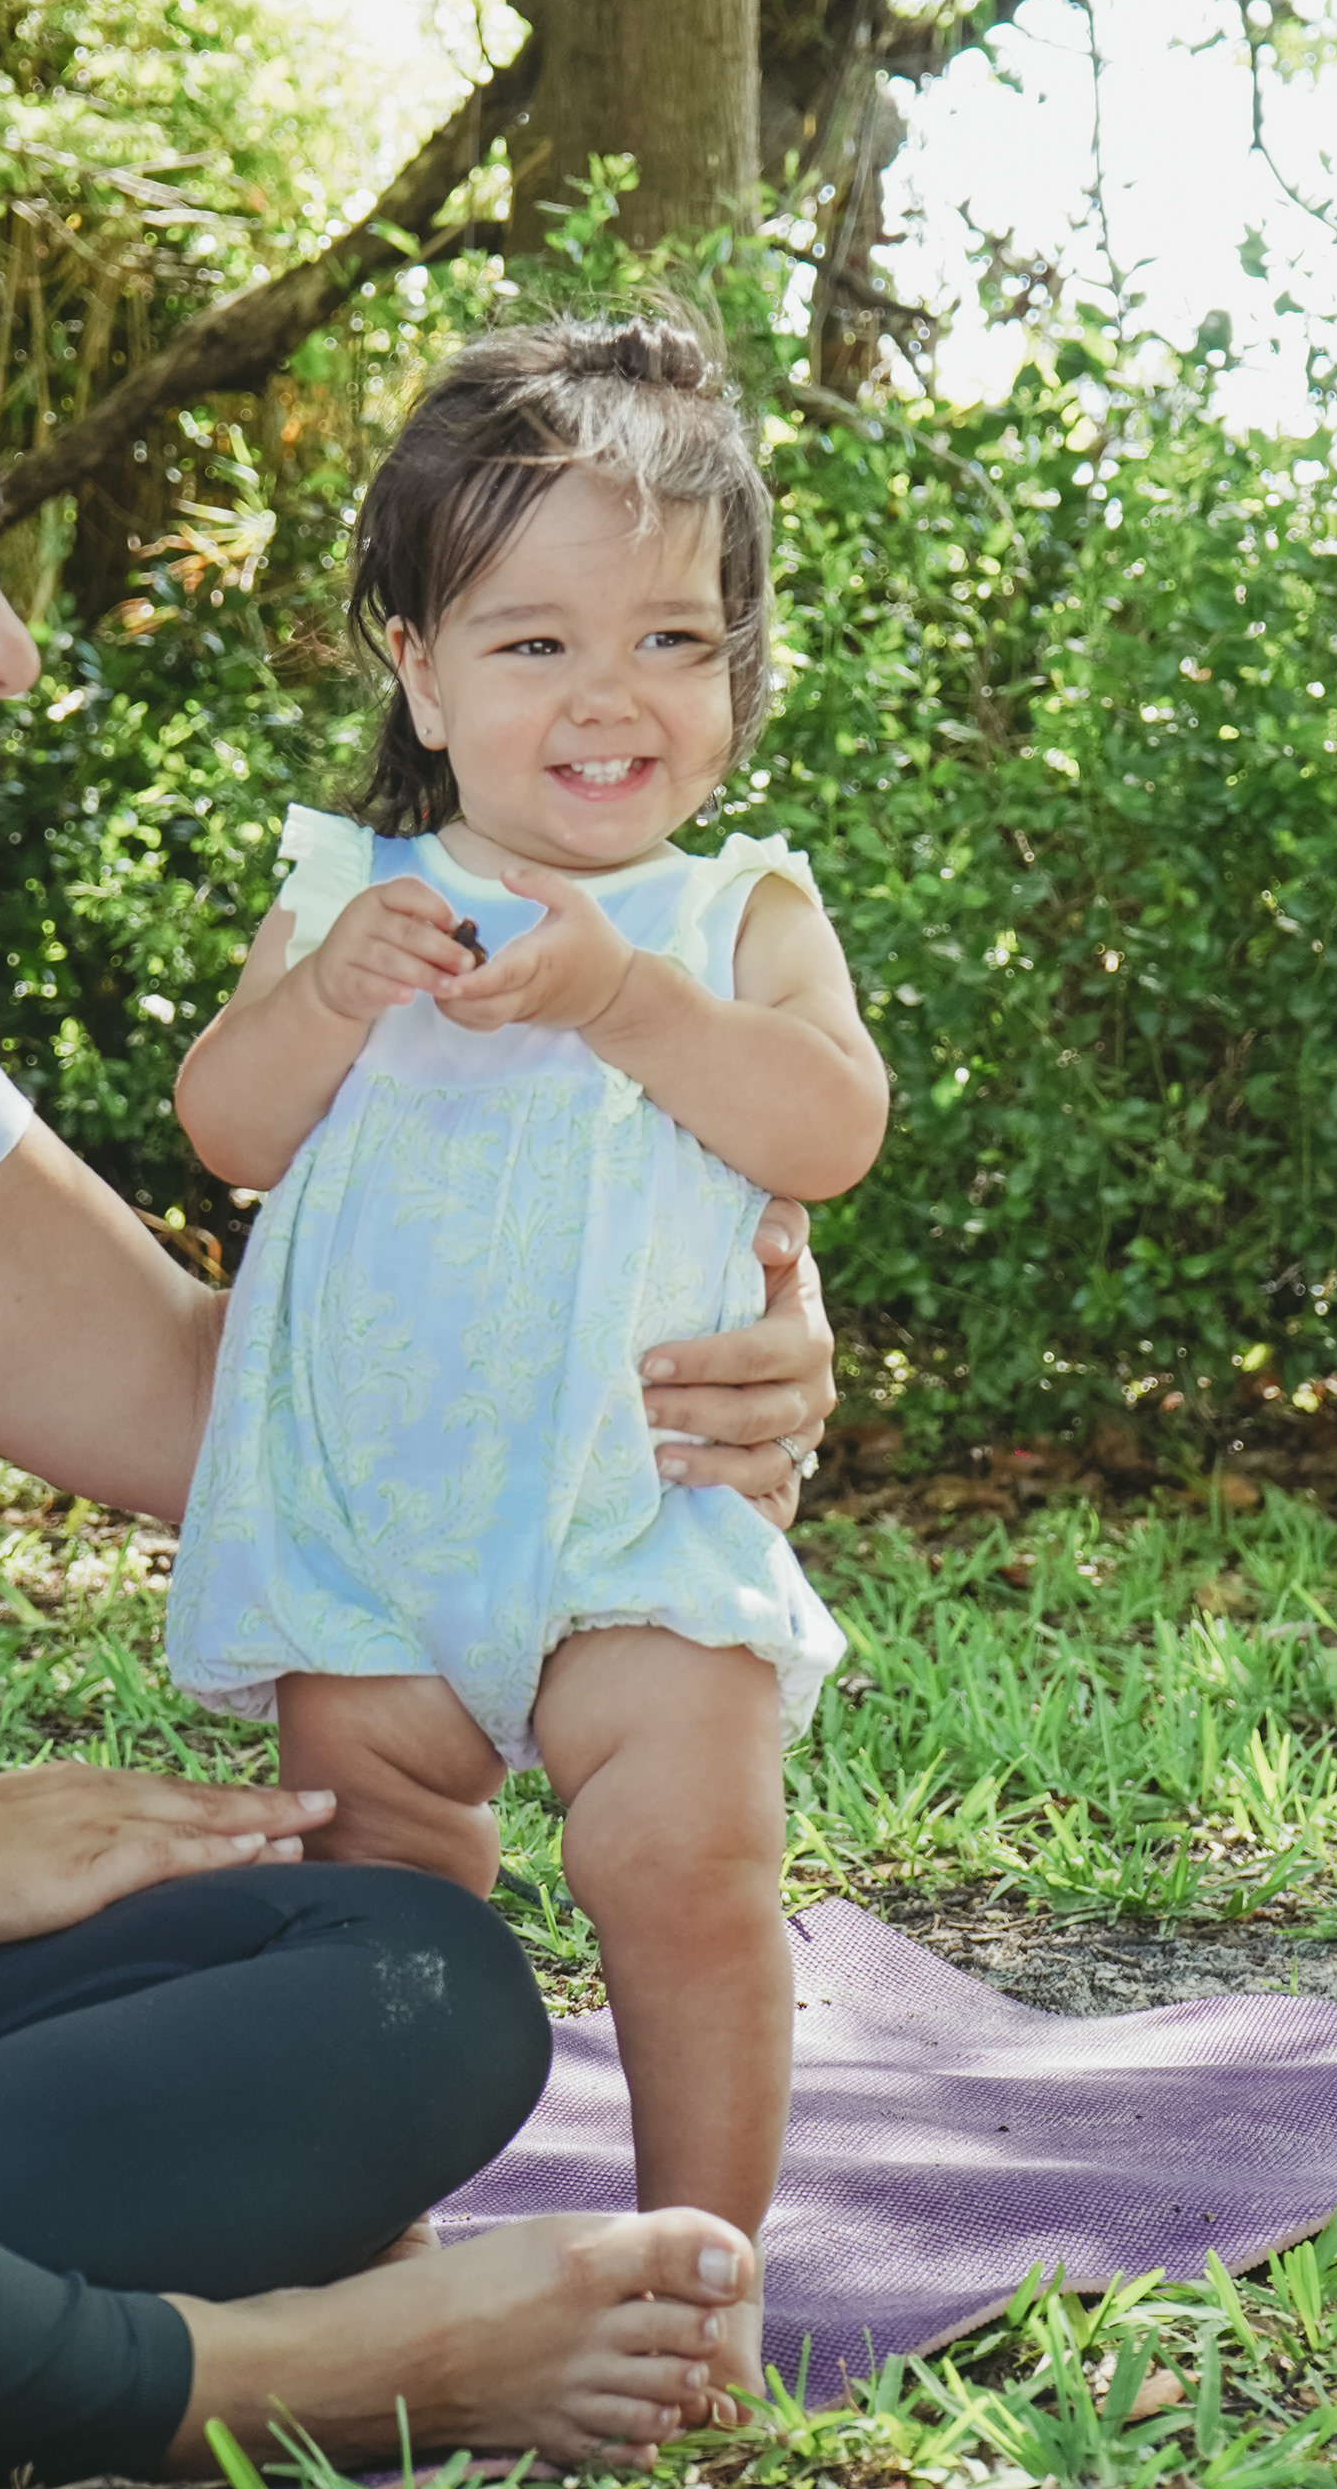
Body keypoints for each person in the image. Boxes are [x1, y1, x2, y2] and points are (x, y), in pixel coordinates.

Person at [0, 160, 838, 2483]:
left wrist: (679, 1353)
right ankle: (211, 2380)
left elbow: (226, 1402)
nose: (1, 642)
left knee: (395, 1977)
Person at [169, 317, 889, 2402]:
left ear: (740, 669)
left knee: (687, 1866)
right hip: (367, 1540)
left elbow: (829, 1129)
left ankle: (698, 2274)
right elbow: (226, 1128)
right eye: (534, 642)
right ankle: (379, 2262)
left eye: (672, 641)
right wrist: (323, 1000)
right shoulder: (350, 892)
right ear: (420, 672)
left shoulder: (734, 914)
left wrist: (628, 1008)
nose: (607, 696)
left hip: (631, 1516)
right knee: (369, 1914)